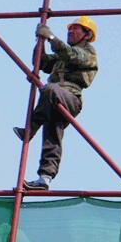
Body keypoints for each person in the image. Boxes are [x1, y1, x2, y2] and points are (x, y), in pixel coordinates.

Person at [13, 16, 98, 190]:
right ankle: (45, 178)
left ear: (87, 35)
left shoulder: (88, 52)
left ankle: (30, 129)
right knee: (52, 135)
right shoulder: (61, 56)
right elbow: (42, 62)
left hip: (71, 98)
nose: (71, 31)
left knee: (49, 89)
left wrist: (51, 37)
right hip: (54, 99)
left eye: (76, 29)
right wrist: (41, 41)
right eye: (70, 28)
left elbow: (71, 55)